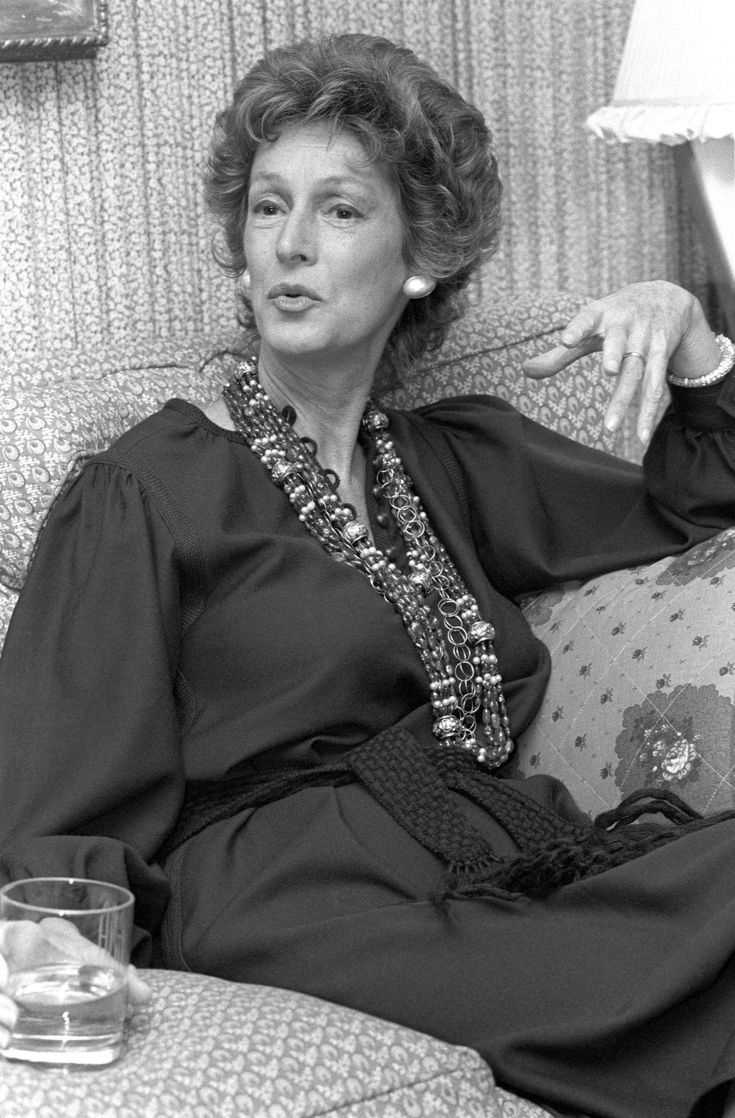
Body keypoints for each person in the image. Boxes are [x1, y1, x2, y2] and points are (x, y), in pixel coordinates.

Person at [1, 31, 734, 1118]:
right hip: (290, 902)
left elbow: (694, 503)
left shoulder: (453, 459)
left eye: (339, 210)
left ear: (420, 253)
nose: (289, 244)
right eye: (266, 207)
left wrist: (690, 338)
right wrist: (57, 945)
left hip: (492, 867)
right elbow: (51, 788)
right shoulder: (144, 487)